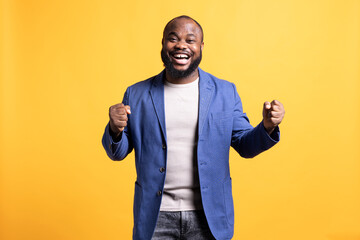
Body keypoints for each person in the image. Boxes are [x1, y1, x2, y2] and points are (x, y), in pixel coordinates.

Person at [102, 15, 285, 240]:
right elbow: (117, 153)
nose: (181, 45)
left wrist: (266, 126)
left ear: (200, 46)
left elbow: (245, 146)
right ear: (162, 43)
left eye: (190, 40)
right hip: (155, 216)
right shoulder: (137, 93)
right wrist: (114, 129)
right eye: (173, 39)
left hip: (209, 217)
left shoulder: (225, 92)